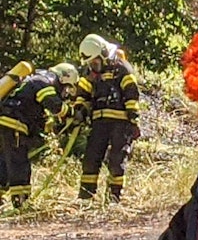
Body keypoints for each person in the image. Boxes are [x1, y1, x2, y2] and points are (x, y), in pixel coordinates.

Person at [0, 63, 79, 208]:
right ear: (63, 78)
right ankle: (21, 203)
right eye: (66, 87)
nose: (65, 92)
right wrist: (73, 113)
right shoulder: (44, 82)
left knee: (4, 162)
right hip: (14, 124)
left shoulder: (34, 79)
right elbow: (55, 105)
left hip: (5, 122)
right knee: (19, 164)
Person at [75, 34, 141, 201]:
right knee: (91, 158)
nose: (93, 66)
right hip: (99, 122)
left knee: (116, 160)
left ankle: (114, 197)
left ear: (104, 54)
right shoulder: (90, 73)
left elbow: (131, 92)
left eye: (95, 62)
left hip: (121, 122)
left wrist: (133, 118)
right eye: (90, 63)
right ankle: (86, 197)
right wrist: (80, 109)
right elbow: (83, 93)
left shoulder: (121, 68)